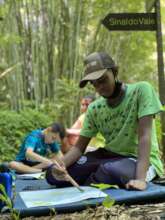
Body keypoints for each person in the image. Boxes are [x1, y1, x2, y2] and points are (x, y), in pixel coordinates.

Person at [46, 52, 164, 191]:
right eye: (93, 84)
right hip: (107, 157)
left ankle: (92, 179)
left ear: (114, 72)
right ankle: (93, 179)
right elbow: (78, 148)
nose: (99, 87)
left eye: (102, 80)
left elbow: (145, 136)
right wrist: (61, 165)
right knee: (52, 174)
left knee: (109, 171)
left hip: (138, 159)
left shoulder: (141, 90)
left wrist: (140, 180)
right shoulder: (95, 108)